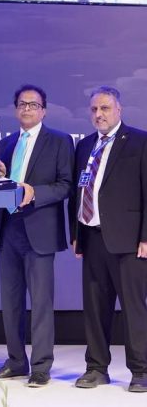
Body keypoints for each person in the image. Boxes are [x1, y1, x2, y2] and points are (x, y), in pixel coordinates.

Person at [0, 84, 74, 387]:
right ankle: (16, 362)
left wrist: (35, 192)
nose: (27, 109)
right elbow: (4, 185)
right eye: (22, 104)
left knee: (41, 303)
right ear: (16, 109)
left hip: (40, 230)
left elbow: (65, 185)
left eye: (33, 104)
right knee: (10, 302)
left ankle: (41, 366)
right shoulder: (7, 143)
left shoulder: (59, 141)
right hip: (9, 228)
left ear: (43, 110)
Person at [69, 86, 147, 393]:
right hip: (92, 238)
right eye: (94, 109)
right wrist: (76, 234)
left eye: (105, 108)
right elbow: (77, 192)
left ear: (119, 110)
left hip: (129, 241)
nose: (99, 114)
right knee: (95, 308)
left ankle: (141, 371)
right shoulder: (84, 145)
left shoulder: (140, 141)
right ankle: (96, 368)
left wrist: (146, 236)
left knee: (133, 309)